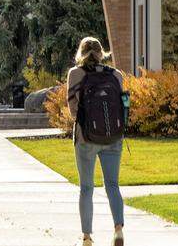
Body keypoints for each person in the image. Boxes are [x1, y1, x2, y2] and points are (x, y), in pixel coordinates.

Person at [67, 37, 127, 246]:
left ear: (81, 53)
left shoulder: (75, 74)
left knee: (86, 187)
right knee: (112, 185)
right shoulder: (116, 75)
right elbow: (123, 106)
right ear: (102, 53)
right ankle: (118, 229)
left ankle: (87, 237)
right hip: (113, 137)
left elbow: (73, 111)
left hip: (86, 138)